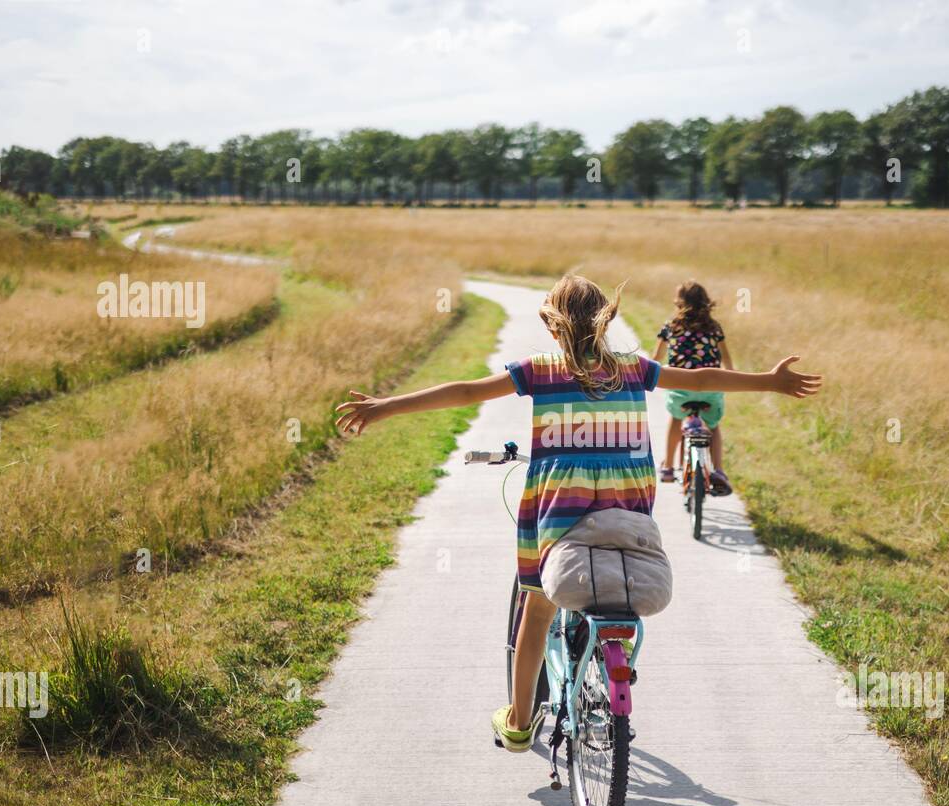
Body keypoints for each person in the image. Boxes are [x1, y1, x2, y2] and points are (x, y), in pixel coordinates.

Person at [334, 275, 821, 752]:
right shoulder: (633, 368)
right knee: (619, 570)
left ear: (552, 325)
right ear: (605, 320)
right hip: (627, 499)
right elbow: (699, 378)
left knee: (538, 606)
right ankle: (615, 657)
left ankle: (521, 723)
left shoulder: (540, 369)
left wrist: (386, 406)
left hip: (559, 505)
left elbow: (466, 391)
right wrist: (770, 382)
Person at [652, 281, 733, 494]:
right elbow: (727, 360)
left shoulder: (670, 327)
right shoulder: (715, 327)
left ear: (680, 302)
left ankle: (668, 467)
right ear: (706, 302)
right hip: (711, 385)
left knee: (677, 419)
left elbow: (655, 360)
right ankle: (718, 470)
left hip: (680, 386)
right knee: (713, 426)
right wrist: (730, 379)